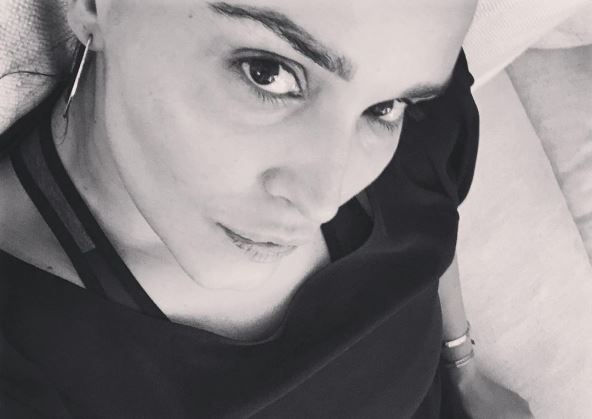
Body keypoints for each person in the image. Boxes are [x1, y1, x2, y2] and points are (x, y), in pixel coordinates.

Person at [0, 1, 533, 417]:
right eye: (267, 72)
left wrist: (463, 368)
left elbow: (429, 223)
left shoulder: (404, 91)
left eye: (384, 108)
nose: (323, 199)